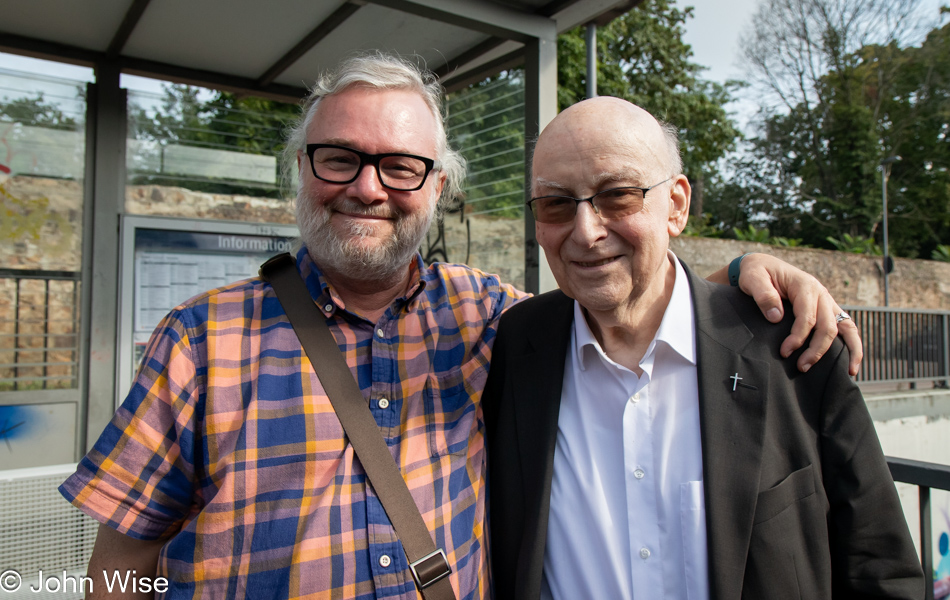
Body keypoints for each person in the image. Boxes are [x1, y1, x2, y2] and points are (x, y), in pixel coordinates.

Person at [60, 54, 862, 600]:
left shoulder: (490, 317)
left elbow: (625, 293)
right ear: (302, 168)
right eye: (338, 157)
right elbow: (120, 567)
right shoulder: (202, 337)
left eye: (400, 166)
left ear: (437, 186)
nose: (368, 188)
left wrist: (743, 275)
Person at [483, 96, 923, 600]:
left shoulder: (794, 350)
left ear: (675, 206)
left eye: (619, 195)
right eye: (557, 203)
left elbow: (881, 573)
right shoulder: (513, 346)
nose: (586, 231)